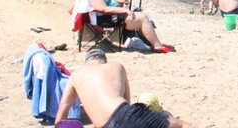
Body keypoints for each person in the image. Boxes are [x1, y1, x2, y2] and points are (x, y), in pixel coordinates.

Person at [54, 48, 194, 127]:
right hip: (124, 114)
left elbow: (60, 118)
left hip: (105, 125)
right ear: (104, 61)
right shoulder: (116, 67)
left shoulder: (76, 75)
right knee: (180, 124)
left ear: (87, 62)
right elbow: (127, 103)